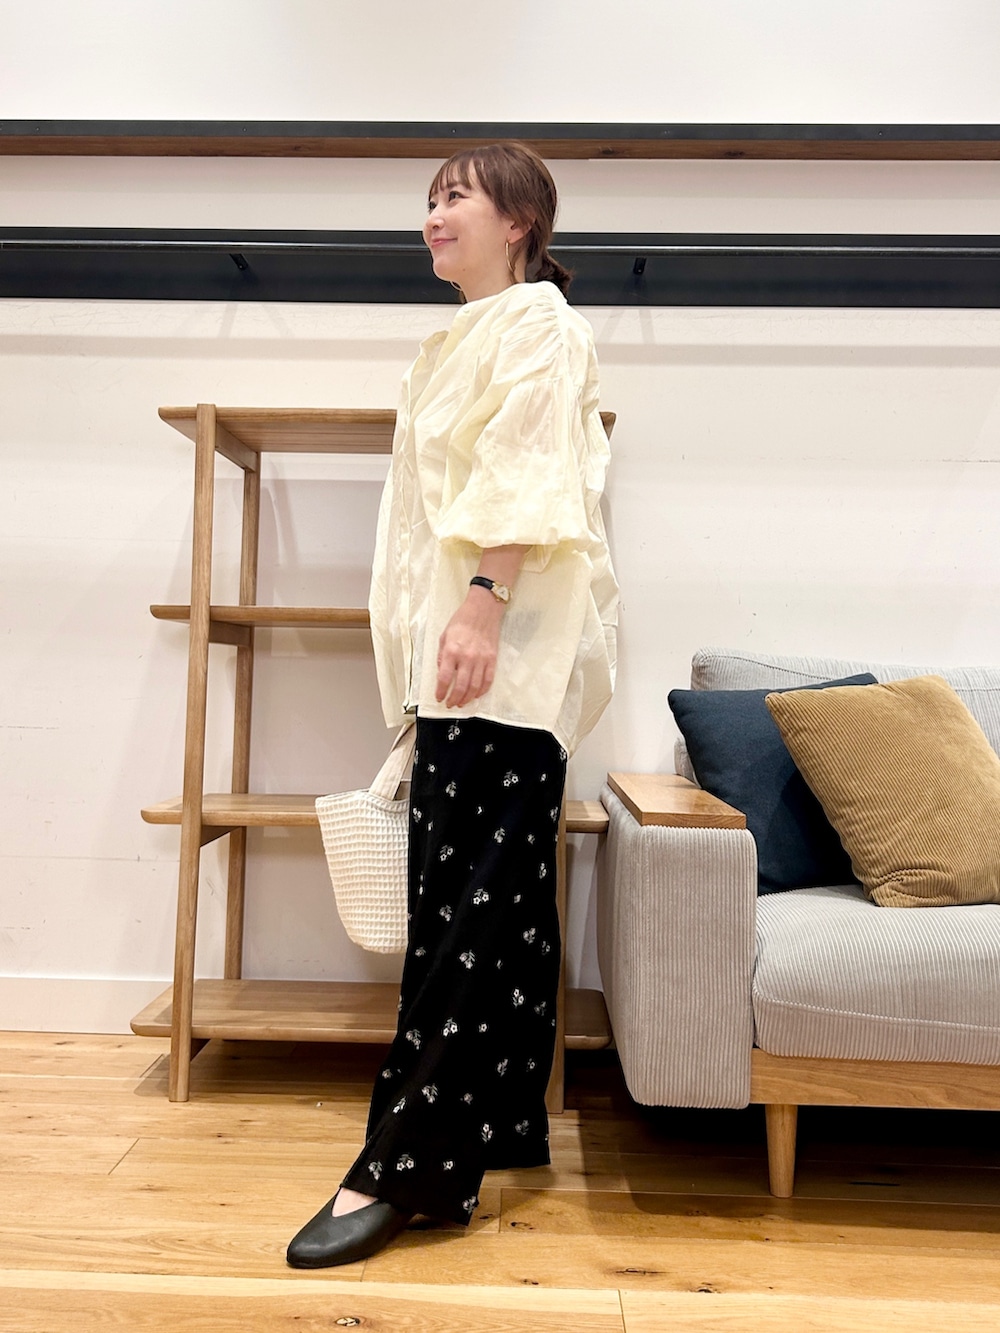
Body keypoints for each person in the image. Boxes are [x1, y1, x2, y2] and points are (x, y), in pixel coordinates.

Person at [286, 141, 618, 1269]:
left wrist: (481, 605)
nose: (434, 214)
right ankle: (501, 1128)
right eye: (429, 198)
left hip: (502, 657)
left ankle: (403, 1170)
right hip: (471, 663)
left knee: (463, 924)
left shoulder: (539, 324)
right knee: (495, 911)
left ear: (519, 220)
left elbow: (524, 475)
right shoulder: (462, 336)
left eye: (457, 197)